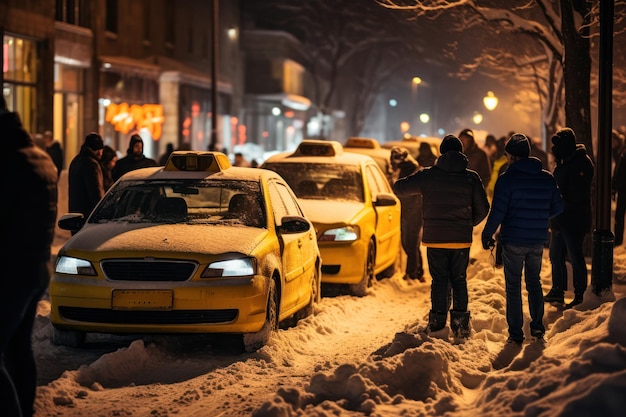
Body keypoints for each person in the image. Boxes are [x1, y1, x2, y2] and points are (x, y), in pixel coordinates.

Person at [394, 135, 490, 339]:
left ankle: (437, 324)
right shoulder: (471, 177)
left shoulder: (428, 175)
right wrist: (466, 224)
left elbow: (400, 188)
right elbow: (483, 209)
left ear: (441, 153)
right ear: (461, 153)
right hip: (461, 240)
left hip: (436, 239)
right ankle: (461, 326)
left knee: (439, 280)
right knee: (459, 280)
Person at [0, 97, 58, 417]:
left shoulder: (9, 161)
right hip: (34, 269)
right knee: (19, 350)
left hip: (9, 271)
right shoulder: (41, 159)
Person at [482, 133, 563, 344]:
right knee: (534, 283)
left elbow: (497, 212)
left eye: (508, 155)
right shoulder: (546, 177)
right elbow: (558, 206)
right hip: (537, 240)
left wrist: (487, 233)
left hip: (513, 241)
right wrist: (539, 216)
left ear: (513, 157)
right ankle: (537, 328)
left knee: (513, 287)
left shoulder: (507, 179)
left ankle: (516, 333)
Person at [544, 128, 594, 308]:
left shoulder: (581, 163)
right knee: (555, 255)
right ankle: (558, 289)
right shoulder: (564, 162)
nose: (554, 149)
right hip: (559, 219)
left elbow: (577, 194)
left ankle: (580, 294)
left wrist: (559, 204)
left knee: (575, 256)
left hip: (573, 219)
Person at [390, 146, 425, 282]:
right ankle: (418, 272)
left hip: (413, 212)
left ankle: (411, 273)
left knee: (410, 243)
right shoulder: (405, 169)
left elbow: (407, 192)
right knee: (411, 243)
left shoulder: (411, 170)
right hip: (408, 211)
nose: (393, 162)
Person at [68, 132, 105, 220]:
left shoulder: (75, 161)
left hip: (75, 214)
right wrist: (102, 212)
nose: (101, 153)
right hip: (88, 216)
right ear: (98, 149)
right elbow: (96, 192)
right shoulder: (92, 164)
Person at [613, 142, 626, 247]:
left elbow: (619, 171)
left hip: (623, 189)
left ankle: (618, 239)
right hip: (622, 188)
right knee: (619, 215)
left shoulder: (623, 153)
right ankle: (618, 239)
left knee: (620, 215)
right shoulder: (622, 152)